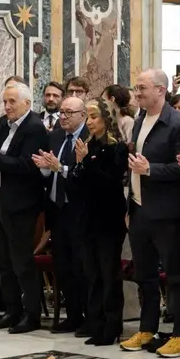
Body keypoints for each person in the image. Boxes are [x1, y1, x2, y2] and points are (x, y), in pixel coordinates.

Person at [119, 69, 180, 358]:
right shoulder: (140, 120)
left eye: (142, 88)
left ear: (161, 90)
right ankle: (147, 329)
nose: (137, 93)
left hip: (167, 213)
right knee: (145, 275)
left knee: (176, 275)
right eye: (136, 88)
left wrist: (151, 169)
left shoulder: (178, 123)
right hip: (140, 209)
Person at [0, 78, 50, 333]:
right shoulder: (4, 125)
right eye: (4, 101)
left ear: (27, 103)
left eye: (12, 101)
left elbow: (26, 166)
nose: (7, 106)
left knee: (21, 261)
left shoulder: (35, 128)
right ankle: (12, 310)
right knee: (2, 260)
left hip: (21, 203)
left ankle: (31, 314)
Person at [72, 100, 129, 346]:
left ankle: (112, 324)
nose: (90, 122)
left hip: (108, 219)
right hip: (88, 218)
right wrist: (79, 164)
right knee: (92, 274)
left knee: (108, 274)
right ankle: (95, 323)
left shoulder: (116, 149)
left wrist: (86, 162)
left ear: (107, 119)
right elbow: (79, 183)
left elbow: (107, 183)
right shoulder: (87, 146)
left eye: (94, 117)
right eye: (88, 118)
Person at [32, 96, 90, 334]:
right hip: (57, 209)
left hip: (80, 209)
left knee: (81, 265)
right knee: (63, 264)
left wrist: (60, 168)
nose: (63, 117)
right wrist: (45, 170)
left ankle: (88, 315)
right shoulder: (55, 136)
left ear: (82, 115)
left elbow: (84, 175)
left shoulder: (88, 137)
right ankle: (73, 315)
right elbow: (50, 171)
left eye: (69, 112)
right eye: (62, 113)